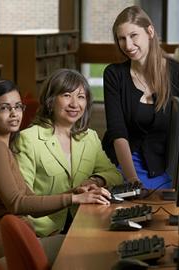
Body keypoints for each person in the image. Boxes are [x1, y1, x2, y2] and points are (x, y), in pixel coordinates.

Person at [0, 78, 112, 260]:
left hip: (21, 239)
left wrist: (76, 192)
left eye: (18, 107)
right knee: (94, 246)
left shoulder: (2, 146)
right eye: (4, 108)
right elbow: (17, 204)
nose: (14, 114)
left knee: (92, 241)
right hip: (9, 248)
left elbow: (31, 201)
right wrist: (73, 198)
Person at [16, 68, 123, 237]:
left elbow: (115, 174)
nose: (75, 104)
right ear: (51, 100)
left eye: (80, 97)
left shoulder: (89, 137)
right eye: (66, 95)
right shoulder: (28, 139)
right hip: (44, 231)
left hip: (83, 222)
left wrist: (94, 180)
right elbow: (23, 202)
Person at [102, 6, 179, 190]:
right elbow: (117, 131)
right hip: (125, 163)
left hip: (165, 165)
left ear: (150, 31)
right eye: (122, 39)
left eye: (133, 36)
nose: (128, 45)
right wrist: (132, 181)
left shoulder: (178, 74)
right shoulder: (114, 75)